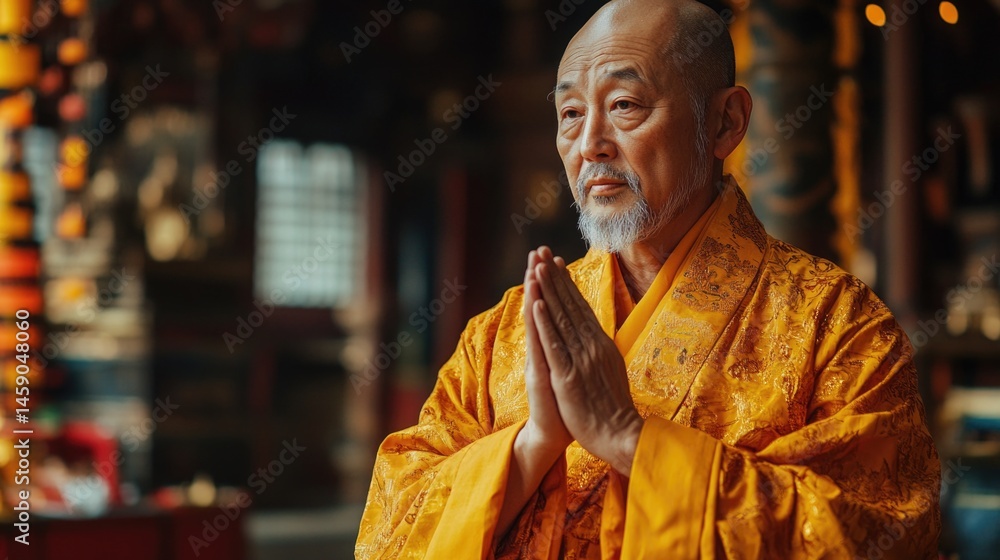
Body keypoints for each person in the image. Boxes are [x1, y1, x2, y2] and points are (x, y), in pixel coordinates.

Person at [356, 0, 941, 557]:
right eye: (571, 114)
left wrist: (628, 437)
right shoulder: (501, 335)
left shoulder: (838, 324)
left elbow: (878, 531)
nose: (590, 146)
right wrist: (531, 445)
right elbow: (391, 526)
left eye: (625, 106)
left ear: (725, 123)